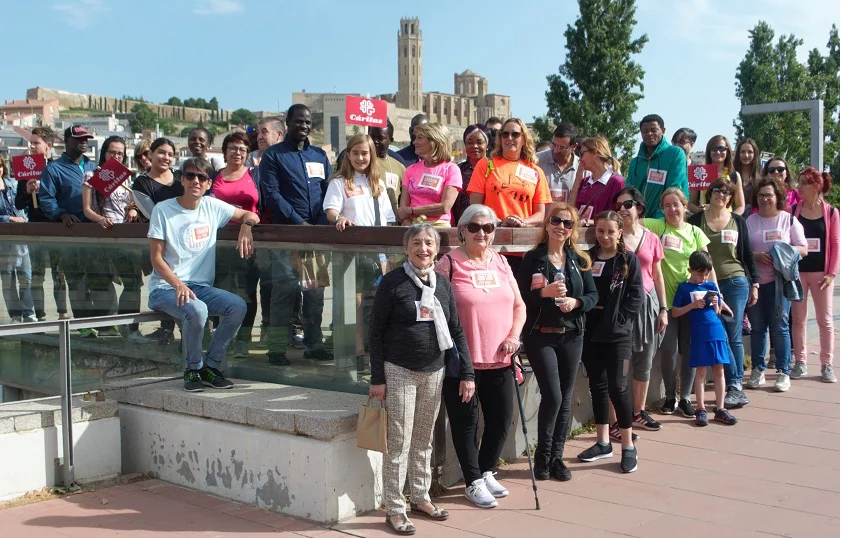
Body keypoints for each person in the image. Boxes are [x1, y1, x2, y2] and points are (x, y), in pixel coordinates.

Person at [368, 223, 472, 536]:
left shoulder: (442, 284)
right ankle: (395, 509)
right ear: (406, 248)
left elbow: (455, 330)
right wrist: (377, 378)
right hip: (398, 370)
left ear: (437, 249)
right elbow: (375, 332)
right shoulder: (392, 282)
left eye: (429, 243)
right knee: (398, 441)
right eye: (416, 243)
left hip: (435, 370)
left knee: (424, 440)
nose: (423, 248)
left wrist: (467, 372)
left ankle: (421, 497)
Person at [435, 204, 526, 507]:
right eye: (474, 227)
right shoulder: (448, 263)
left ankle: (485, 470)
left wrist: (514, 335)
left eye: (488, 228)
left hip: (501, 358)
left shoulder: (500, 261)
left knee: (501, 419)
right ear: (461, 230)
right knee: (466, 424)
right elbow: (435, 311)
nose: (481, 233)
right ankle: (472, 481)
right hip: (463, 362)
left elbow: (519, 306)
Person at [147, 157, 257, 392]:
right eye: (190, 176)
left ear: (209, 184)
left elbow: (250, 214)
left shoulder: (212, 206)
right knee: (198, 309)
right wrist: (177, 284)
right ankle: (192, 369)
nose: (195, 181)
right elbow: (156, 258)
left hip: (199, 287)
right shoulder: (163, 210)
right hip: (165, 288)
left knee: (237, 306)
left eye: (202, 177)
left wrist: (246, 225)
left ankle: (211, 366)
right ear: (182, 179)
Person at [516, 203, 597, 482]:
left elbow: (593, 297)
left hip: (572, 335)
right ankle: (542, 456)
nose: (561, 227)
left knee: (564, 399)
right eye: (556, 221)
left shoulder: (579, 259)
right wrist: (543, 294)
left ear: (573, 229)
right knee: (553, 395)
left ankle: (556, 458)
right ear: (547, 224)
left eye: (568, 223)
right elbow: (520, 299)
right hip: (541, 335)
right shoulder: (533, 259)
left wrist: (576, 302)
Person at [259, 104, 331, 365]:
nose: (303, 125)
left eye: (307, 122)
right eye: (298, 121)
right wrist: (298, 223)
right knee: (284, 294)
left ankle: (314, 345)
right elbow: (273, 195)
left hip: (315, 238)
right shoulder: (274, 156)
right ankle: (276, 348)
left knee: (315, 296)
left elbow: (328, 194)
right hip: (287, 236)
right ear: (287, 123)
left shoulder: (320, 156)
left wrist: (320, 226)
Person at [576, 211, 642, 473]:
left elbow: (636, 296)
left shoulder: (628, 260)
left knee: (618, 387)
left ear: (620, 232)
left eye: (610, 231)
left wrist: (621, 320)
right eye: (600, 231)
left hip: (617, 334)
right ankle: (603, 443)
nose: (604, 236)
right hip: (591, 332)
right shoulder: (587, 258)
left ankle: (628, 446)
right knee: (598, 387)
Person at [642, 188, 716, 418]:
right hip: (668, 302)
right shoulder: (657, 226)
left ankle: (685, 397)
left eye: (676, 204)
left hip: (693, 302)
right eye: (667, 206)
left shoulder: (695, 232)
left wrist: (716, 296)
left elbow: (708, 267)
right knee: (669, 350)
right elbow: (630, 216)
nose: (672, 209)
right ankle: (671, 396)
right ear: (661, 209)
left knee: (690, 349)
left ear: (685, 206)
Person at [324, 134, 396, 365]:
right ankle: (357, 355)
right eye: (355, 153)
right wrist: (340, 218)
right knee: (353, 305)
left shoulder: (379, 184)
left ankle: (378, 352)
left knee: (379, 305)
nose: (360, 157)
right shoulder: (339, 182)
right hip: (352, 252)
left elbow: (389, 219)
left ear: (371, 155)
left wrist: (391, 255)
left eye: (364, 153)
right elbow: (331, 211)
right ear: (348, 155)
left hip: (379, 253)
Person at [688, 178, 758, 408]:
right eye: (717, 190)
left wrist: (754, 283)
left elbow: (747, 255)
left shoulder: (738, 221)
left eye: (726, 192)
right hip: (705, 284)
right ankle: (729, 381)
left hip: (736, 282)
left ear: (731, 197)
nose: (721, 194)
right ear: (710, 193)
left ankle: (735, 386)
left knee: (732, 332)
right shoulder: (697, 220)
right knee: (718, 333)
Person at [82, 135, 151, 343]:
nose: (116, 156)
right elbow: (86, 209)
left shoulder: (124, 177)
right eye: (112, 152)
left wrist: (131, 210)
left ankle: (130, 328)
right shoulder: (91, 174)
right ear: (104, 152)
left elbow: (130, 202)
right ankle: (107, 326)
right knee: (102, 283)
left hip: (125, 237)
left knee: (132, 283)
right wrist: (100, 219)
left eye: (120, 153)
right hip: (102, 236)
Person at [745, 178, 808, 393]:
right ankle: (758, 370)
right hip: (755, 283)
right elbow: (741, 250)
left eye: (768, 195)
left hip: (780, 282)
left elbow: (803, 248)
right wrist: (755, 256)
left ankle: (783, 372)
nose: (764, 199)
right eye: (761, 195)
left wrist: (781, 252)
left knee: (780, 327)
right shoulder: (749, 221)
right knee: (758, 328)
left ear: (777, 197)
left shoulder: (788, 220)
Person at [613, 187, 667, 433]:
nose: (622, 209)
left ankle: (638, 411)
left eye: (627, 205)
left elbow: (657, 275)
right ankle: (616, 419)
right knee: (620, 364)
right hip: (622, 305)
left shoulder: (652, 237)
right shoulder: (614, 237)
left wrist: (664, 308)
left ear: (639, 207)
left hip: (649, 303)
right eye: (619, 206)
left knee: (644, 360)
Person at [38, 126, 98, 325]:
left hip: (96, 233)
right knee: (76, 280)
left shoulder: (93, 167)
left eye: (86, 138)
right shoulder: (53, 169)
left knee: (98, 278)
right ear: (66, 140)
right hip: (70, 235)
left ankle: (103, 320)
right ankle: (83, 324)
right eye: (79, 138)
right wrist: (61, 215)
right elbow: (46, 199)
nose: (84, 141)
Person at [671, 251, 738, 426]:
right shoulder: (684, 288)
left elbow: (716, 312)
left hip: (715, 330)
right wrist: (692, 305)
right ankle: (700, 408)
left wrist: (717, 304)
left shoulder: (711, 286)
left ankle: (720, 408)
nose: (703, 277)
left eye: (706, 274)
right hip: (698, 333)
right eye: (700, 273)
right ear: (690, 270)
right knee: (701, 371)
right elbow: (675, 312)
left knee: (719, 370)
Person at [210, 132, 262, 358]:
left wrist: (246, 224)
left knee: (247, 293)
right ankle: (222, 338)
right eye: (233, 148)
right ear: (224, 152)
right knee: (220, 293)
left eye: (242, 149)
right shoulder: (213, 177)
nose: (237, 153)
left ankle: (243, 340)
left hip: (248, 241)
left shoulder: (255, 175)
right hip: (217, 244)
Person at [131, 138, 184, 343]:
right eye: (161, 152)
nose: (166, 157)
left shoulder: (181, 177)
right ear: (150, 154)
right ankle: (166, 329)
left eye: (170, 154)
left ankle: (189, 333)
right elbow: (152, 213)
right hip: (163, 241)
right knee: (167, 284)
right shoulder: (142, 183)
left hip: (187, 240)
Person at [16, 126, 69, 321]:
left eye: (36, 143)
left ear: (48, 145)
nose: (32, 147)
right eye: (30, 143)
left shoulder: (57, 168)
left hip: (55, 228)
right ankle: (40, 315)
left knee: (59, 274)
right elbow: (18, 203)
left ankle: (63, 313)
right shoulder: (27, 168)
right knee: (37, 275)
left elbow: (65, 198)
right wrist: (27, 191)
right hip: (36, 228)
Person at [790, 167, 838, 383]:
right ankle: (800, 362)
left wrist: (832, 273)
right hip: (798, 273)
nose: (798, 187)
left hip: (821, 274)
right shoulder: (792, 211)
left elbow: (836, 244)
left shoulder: (831, 212)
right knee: (798, 320)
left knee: (825, 320)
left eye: (803, 183)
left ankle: (827, 364)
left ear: (816, 186)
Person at [467, 118, 552, 228]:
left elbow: (540, 215)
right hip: (491, 231)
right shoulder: (485, 164)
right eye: (505, 134)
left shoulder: (536, 171)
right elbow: (476, 206)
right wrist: (500, 223)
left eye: (515, 134)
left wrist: (523, 223)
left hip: (523, 237)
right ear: (500, 138)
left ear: (524, 139)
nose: (509, 138)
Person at [397, 122, 461, 227]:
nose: (414, 142)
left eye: (419, 138)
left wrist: (412, 211)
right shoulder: (410, 170)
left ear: (434, 141)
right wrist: (411, 228)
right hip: (412, 228)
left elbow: (445, 207)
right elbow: (403, 209)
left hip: (438, 228)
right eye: (415, 138)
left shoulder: (452, 170)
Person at [625, 114, 689, 219]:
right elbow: (629, 192)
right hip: (639, 222)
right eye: (645, 131)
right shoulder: (635, 162)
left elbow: (674, 188)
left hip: (667, 219)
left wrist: (660, 219)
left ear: (663, 130)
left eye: (654, 130)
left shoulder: (675, 153)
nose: (649, 134)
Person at [0, 155, 35, 323]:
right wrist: (9, 219)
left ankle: (28, 313)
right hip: (3, 242)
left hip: (21, 240)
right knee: (8, 279)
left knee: (26, 277)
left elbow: (23, 204)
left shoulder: (13, 184)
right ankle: (15, 315)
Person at [569, 136, 625, 221]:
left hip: (601, 233)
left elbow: (614, 217)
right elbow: (570, 209)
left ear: (594, 153)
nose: (580, 159)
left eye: (582, 154)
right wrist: (577, 180)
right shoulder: (584, 181)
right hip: (580, 232)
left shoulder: (616, 182)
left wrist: (589, 222)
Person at [688, 136, 745, 215]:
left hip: (727, 222)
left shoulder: (734, 175)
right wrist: (699, 211)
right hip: (704, 220)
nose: (718, 152)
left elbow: (740, 206)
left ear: (727, 151)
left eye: (722, 149)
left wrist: (731, 219)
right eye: (714, 149)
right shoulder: (699, 173)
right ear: (709, 151)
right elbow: (690, 203)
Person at [452, 124, 488, 226]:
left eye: (479, 142)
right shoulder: (457, 170)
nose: (474, 146)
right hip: (462, 226)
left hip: (488, 225)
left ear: (487, 144)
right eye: (470, 143)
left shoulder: (495, 169)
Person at [368, 120, 407, 215]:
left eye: (380, 138)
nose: (375, 141)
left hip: (391, 221)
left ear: (391, 140)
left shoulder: (399, 166)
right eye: (372, 137)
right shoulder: (362, 163)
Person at [536, 123, 579, 205]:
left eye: (562, 148)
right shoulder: (536, 161)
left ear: (573, 147)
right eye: (554, 144)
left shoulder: (583, 169)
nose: (556, 150)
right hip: (541, 218)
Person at [734, 139, 762, 214]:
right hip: (734, 215)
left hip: (755, 218)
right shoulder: (731, 174)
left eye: (750, 152)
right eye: (742, 152)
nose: (746, 155)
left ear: (755, 154)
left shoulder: (762, 176)